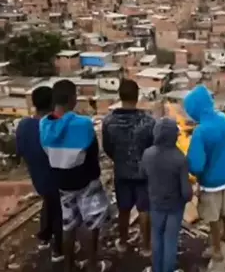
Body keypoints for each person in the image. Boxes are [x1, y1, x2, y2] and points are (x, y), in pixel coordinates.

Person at [40, 80, 111, 272]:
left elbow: (47, 153)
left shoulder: (44, 125)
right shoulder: (83, 124)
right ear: (72, 99)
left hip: (62, 183)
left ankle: (69, 266)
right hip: (86, 181)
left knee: (68, 226)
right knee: (92, 224)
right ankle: (93, 265)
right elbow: (93, 153)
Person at [102, 79, 155, 255]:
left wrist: (119, 160)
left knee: (123, 209)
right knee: (144, 209)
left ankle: (123, 242)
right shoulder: (148, 121)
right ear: (137, 96)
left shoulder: (109, 122)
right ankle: (146, 247)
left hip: (121, 172)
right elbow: (153, 147)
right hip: (143, 172)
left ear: (120, 96)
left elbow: (107, 148)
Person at [184, 84, 225, 262]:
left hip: (211, 182)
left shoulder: (201, 132)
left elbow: (197, 165)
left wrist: (190, 169)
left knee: (213, 216)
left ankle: (216, 250)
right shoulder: (222, 119)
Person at [15, 86, 63, 263]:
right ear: (52, 104)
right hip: (56, 179)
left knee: (49, 201)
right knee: (60, 211)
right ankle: (59, 250)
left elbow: (20, 152)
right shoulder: (54, 126)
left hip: (38, 178)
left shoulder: (24, 125)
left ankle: (44, 236)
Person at [141, 118, 193, 272]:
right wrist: (189, 196)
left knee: (156, 237)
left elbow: (142, 175)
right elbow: (186, 193)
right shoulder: (180, 159)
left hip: (156, 204)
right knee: (170, 240)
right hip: (175, 207)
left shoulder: (147, 154)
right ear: (174, 135)